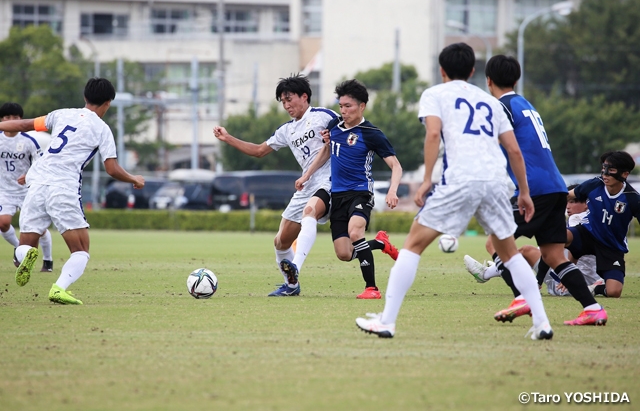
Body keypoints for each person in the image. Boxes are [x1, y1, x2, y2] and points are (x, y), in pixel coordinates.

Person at [355, 43, 553, 339]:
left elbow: (433, 133)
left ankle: (386, 320)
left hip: (461, 179)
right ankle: (542, 323)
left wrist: (425, 181)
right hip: (496, 181)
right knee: (510, 253)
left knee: (412, 245)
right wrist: (524, 192)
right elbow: (513, 149)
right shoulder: (491, 102)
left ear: (441, 70)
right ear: (473, 71)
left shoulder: (434, 94)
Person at [213, 74, 398, 297]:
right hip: (307, 184)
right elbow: (259, 151)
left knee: (309, 212)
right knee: (282, 241)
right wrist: (228, 138)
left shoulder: (324, 116)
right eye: (282, 101)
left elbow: (344, 131)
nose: (286, 105)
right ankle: (292, 285)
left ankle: (297, 269)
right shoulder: (286, 130)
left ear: (304, 96)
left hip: (331, 182)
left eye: (289, 99)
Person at [469, 55, 606, 326]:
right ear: (516, 79)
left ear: (488, 81)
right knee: (553, 255)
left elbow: (508, 148)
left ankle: (522, 298)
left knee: (495, 241)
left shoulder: (501, 107)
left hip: (534, 189)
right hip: (555, 186)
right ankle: (592, 308)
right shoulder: (525, 104)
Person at [5, 77, 145, 305]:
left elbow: (23, 125)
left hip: (37, 181)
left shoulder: (61, 114)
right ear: (108, 103)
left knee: (25, 245)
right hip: (64, 186)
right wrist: (134, 178)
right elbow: (111, 168)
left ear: (85, 97)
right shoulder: (102, 129)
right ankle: (59, 288)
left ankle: (25, 257)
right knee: (81, 250)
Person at [297, 79, 402, 299]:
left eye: (348, 106)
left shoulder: (371, 133)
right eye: (341, 106)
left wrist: (392, 191)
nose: (343, 111)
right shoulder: (334, 127)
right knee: (344, 254)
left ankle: (372, 288)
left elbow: (395, 165)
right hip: (337, 196)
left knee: (356, 232)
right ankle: (380, 243)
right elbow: (326, 151)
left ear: (362, 106)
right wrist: (307, 175)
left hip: (360, 192)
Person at [464, 185, 602, 296]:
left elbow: (563, 251)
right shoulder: (596, 220)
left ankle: (490, 271)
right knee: (533, 251)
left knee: (526, 251)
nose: (568, 206)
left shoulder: (577, 219)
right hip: (586, 280)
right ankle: (498, 267)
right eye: (568, 202)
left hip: (567, 285)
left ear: (586, 204)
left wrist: (540, 278)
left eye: (573, 201)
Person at [566, 151, 640, 299]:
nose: (605, 173)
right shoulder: (594, 184)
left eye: (611, 170)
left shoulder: (632, 199)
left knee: (614, 292)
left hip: (611, 246)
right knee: (559, 236)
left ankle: (596, 288)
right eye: (604, 168)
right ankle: (553, 276)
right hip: (587, 233)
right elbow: (568, 195)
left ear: (624, 174)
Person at [0, 103, 54, 272]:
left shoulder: (29, 141)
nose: (12, 121)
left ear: (21, 120)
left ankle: (48, 260)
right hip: (4, 190)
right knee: (3, 223)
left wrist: (29, 175)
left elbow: (41, 163)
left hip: (26, 191)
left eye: (15, 118)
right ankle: (19, 249)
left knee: (39, 229)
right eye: (7, 118)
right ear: (2, 120)